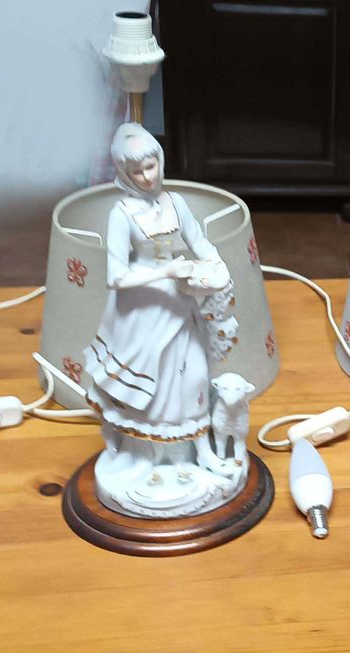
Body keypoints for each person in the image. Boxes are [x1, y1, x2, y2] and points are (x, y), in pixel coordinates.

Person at [83, 122, 233, 481]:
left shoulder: (175, 202)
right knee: (155, 385)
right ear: (125, 173)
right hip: (143, 308)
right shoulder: (122, 213)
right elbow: (116, 277)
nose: (147, 177)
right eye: (137, 171)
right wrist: (165, 272)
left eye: (151, 166)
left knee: (195, 375)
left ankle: (201, 451)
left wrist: (217, 268)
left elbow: (201, 243)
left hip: (182, 299)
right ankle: (148, 453)